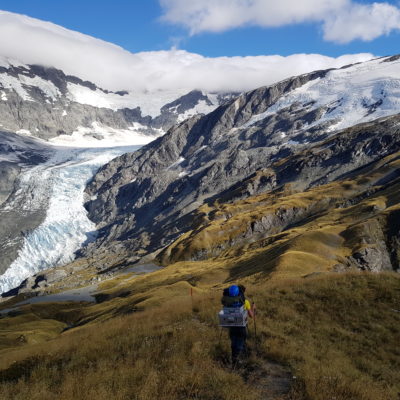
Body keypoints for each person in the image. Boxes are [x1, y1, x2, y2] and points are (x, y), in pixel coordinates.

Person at [227, 284, 255, 366]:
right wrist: (253, 308)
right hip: (241, 327)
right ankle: (237, 362)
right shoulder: (245, 302)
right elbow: (251, 315)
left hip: (231, 327)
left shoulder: (228, 302)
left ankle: (233, 360)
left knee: (233, 344)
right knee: (240, 343)